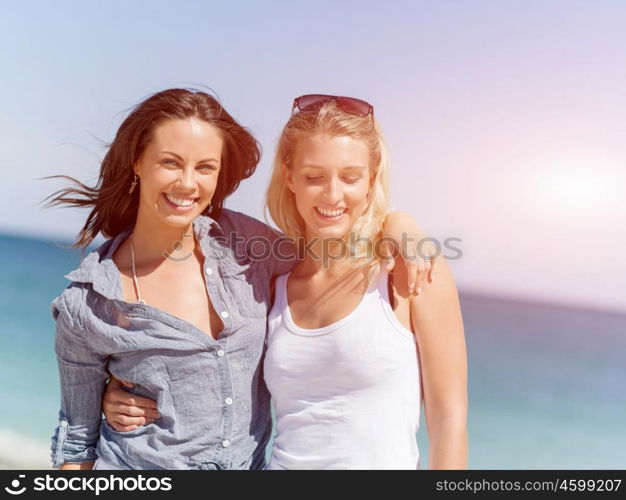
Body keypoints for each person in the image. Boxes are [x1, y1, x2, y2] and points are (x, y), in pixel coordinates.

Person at [47, 89, 433, 470]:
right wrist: (103, 395)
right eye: (170, 162)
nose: (186, 183)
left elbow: (331, 258)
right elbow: (77, 444)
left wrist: (399, 224)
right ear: (138, 162)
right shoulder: (87, 303)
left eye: (204, 167)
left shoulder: (249, 246)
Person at [262, 94, 467, 469]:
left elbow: (449, 419)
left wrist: (399, 220)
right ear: (289, 176)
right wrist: (118, 394)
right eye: (314, 177)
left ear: (371, 180)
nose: (333, 194)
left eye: (350, 177)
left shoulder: (409, 271)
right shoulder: (274, 284)